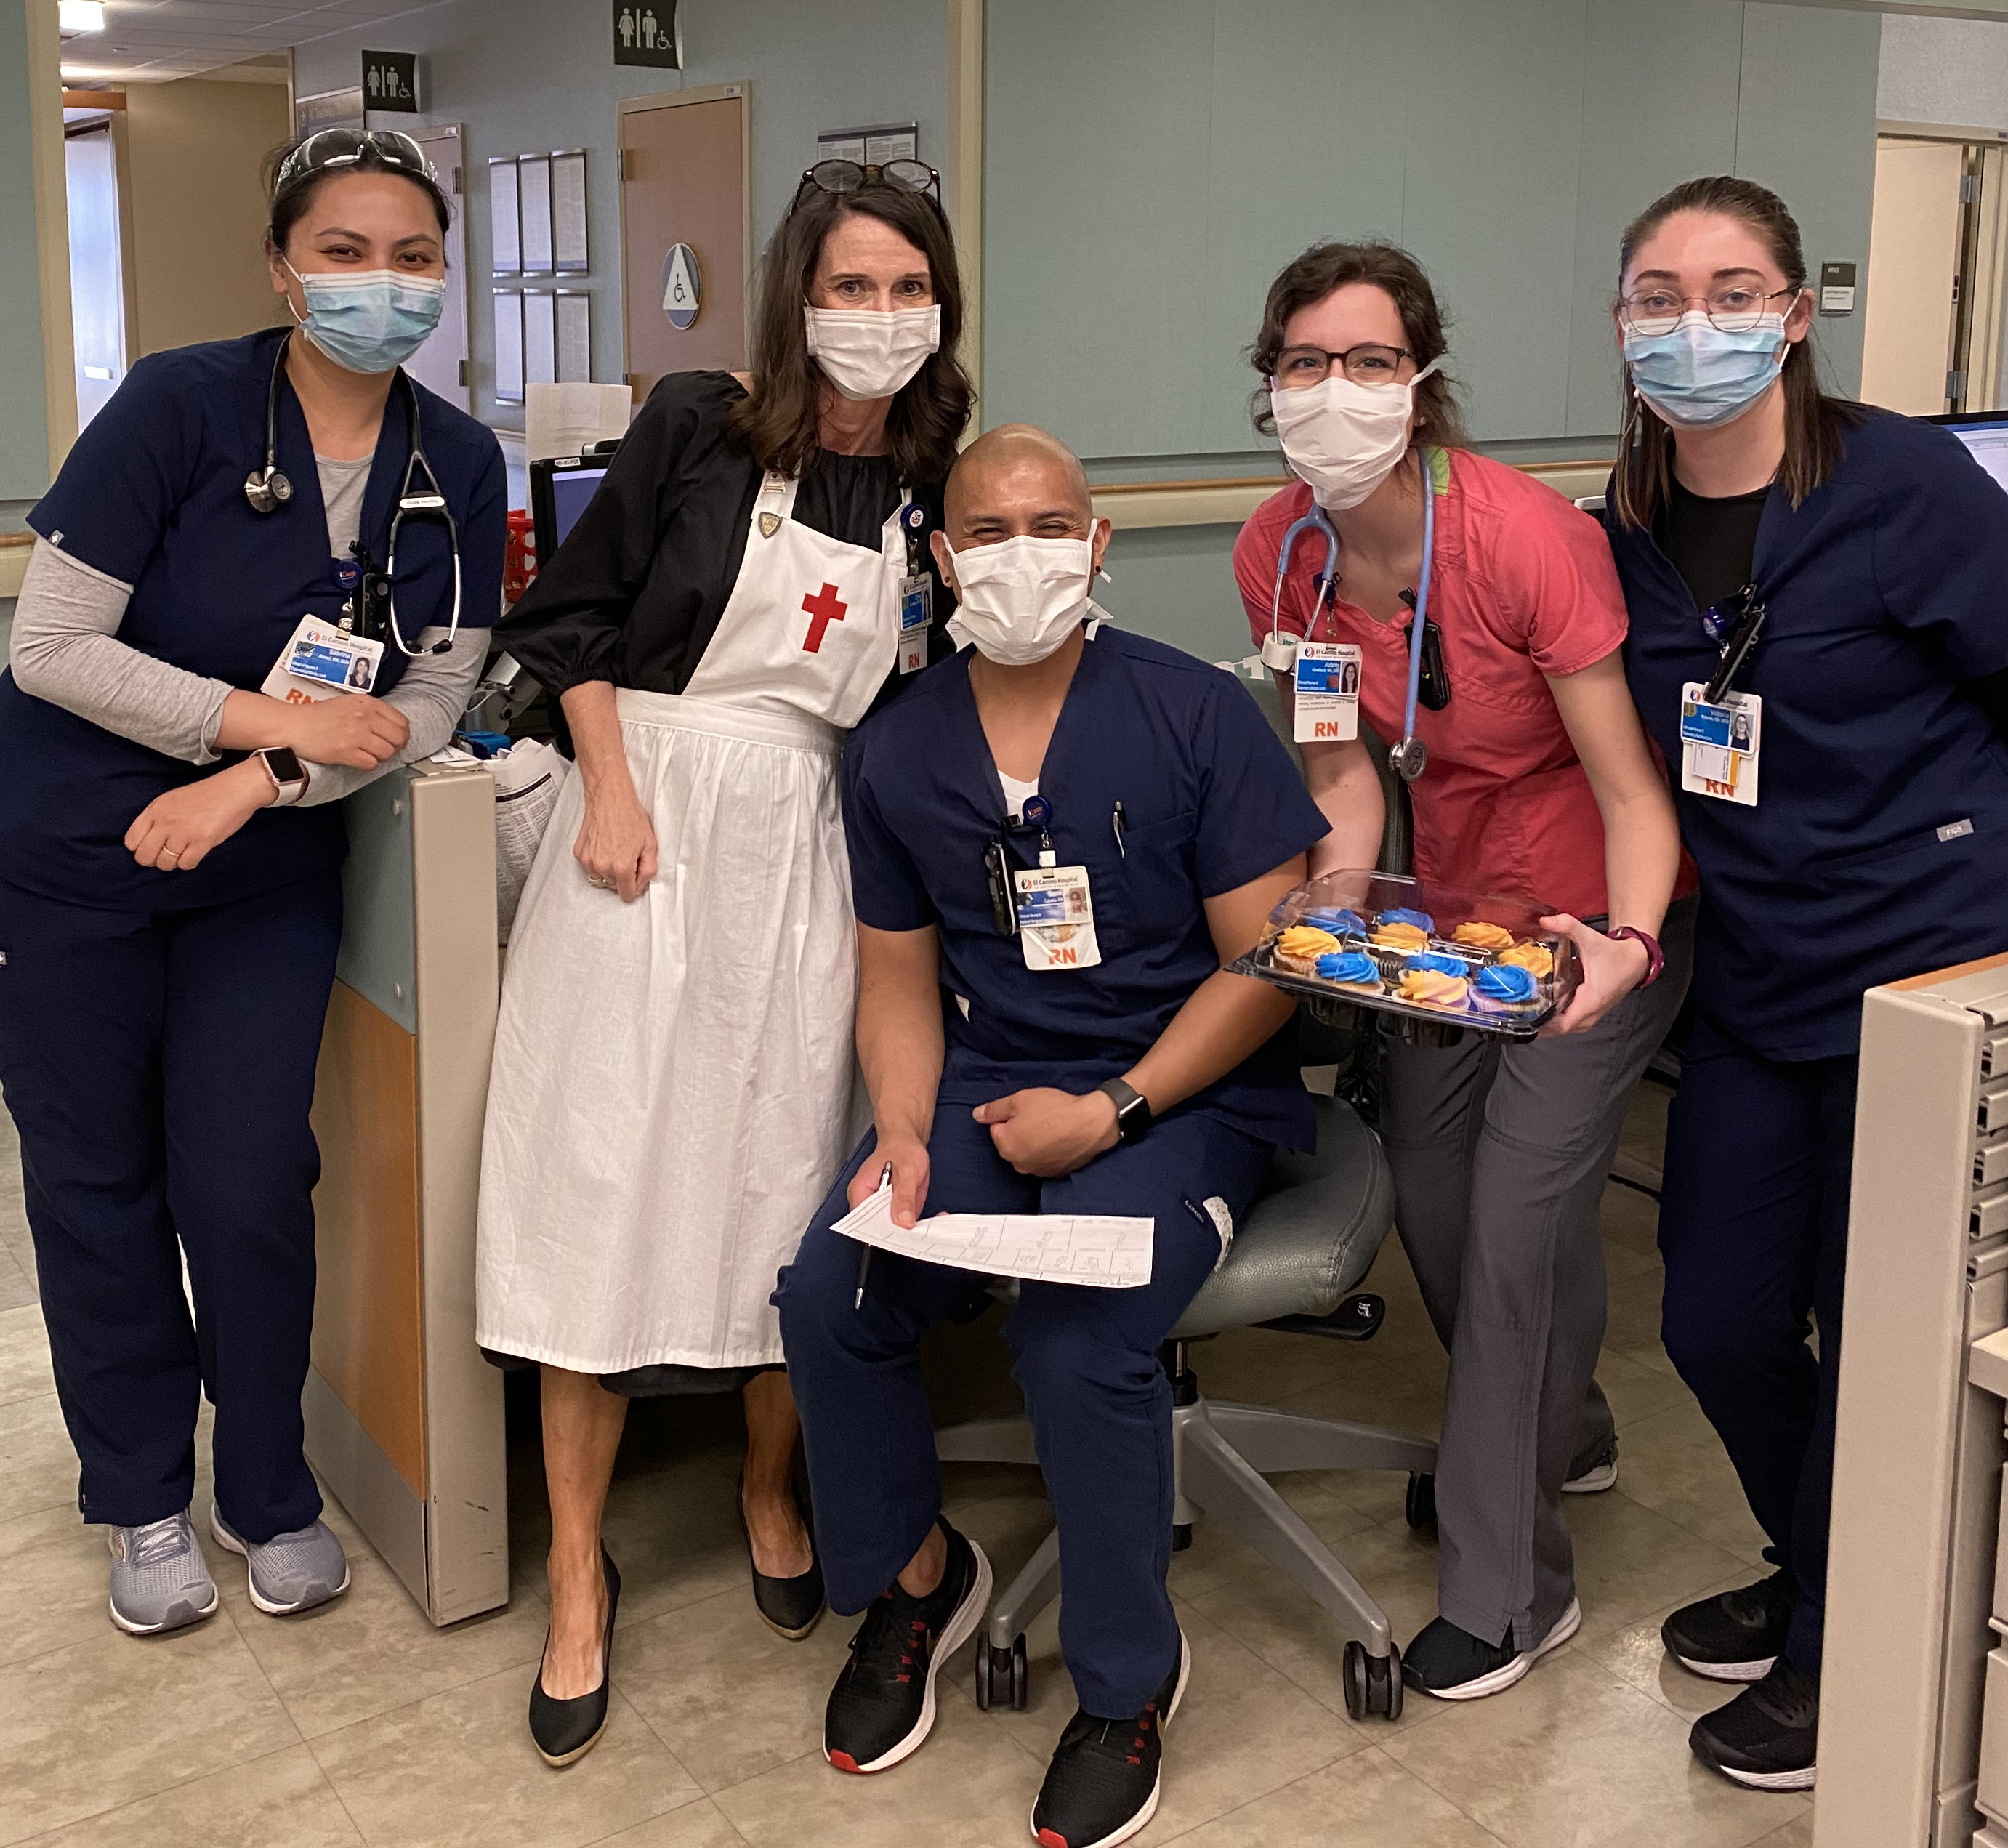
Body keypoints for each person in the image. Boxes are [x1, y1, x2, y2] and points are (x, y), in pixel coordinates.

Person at [477, 159, 971, 1767]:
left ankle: (771, 1490)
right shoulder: (701, 419)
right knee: (593, 1188)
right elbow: (573, 624)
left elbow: (923, 684)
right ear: (794, 292)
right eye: (850, 285)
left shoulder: (925, 471)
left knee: (780, 1186)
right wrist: (609, 792)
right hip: (648, 824)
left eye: (908, 288)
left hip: (811, 847)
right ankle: (573, 1569)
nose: (878, 317)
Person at [772, 423, 1327, 1848]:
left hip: (1183, 1097)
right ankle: (914, 1585)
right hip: (993, 1084)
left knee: (1076, 1340)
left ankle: (1124, 1685)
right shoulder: (900, 747)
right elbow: (896, 974)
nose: (1019, 552)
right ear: (944, 558)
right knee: (827, 1293)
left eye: (1048, 525)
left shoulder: (1192, 715)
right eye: (986, 530)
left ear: (1092, 547)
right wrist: (901, 1131)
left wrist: (1117, 1108)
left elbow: (1263, 967)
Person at [0, 129, 502, 1636]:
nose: (380, 284)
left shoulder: (457, 463)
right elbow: (50, 648)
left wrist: (258, 784)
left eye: (411, 256)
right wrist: (266, 719)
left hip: (264, 869)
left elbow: (419, 706)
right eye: (343, 253)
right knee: (97, 1190)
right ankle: (144, 1496)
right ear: (281, 265)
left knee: (250, 1187)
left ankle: (265, 1485)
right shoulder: (178, 404)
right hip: (73, 857)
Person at [1602, 175, 2008, 1791]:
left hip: (1943, 960)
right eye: (1655, 294)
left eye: (1732, 291)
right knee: (1719, 1318)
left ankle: (1837, 1645)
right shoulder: (1627, 517)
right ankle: (1831, 1559)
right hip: (1769, 966)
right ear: (1618, 328)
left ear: (1796, 314)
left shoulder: (1906, 483)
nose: (1692, 323)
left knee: (1879, 1328)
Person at [1232, 242, 1691, 1703]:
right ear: (1268, 385)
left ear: (1422, 380)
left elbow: (1632, 793)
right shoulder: (1280, 551)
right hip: (1441, 923)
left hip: (1587, 923)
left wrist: (1617, 948)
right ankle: (1566, 1425)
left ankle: (1509, 1589)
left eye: (1368, 361)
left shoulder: (1519, 541)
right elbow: (1348, 779)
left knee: (1512, 1216)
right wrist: (1327, 914)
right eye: (1303, 361)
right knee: (1432, 1202)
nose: (1334, 391)